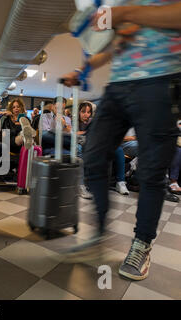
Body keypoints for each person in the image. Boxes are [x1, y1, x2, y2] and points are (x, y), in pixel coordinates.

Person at [62, 0, 181, 281]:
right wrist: (83, 70)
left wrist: (125, 14)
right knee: (92, 155)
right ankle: (100, 232)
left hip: (162, 82)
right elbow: (115, 43)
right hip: (118, 86)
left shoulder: (125, 7)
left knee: (151, 172)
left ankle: (142, 244)